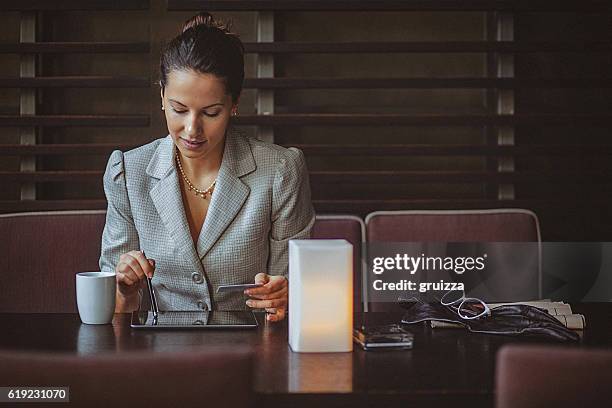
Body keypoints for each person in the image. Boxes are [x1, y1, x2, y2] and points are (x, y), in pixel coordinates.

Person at [99, 12, 315, 322]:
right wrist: (124, 291)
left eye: (211, 113)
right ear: (162, 95)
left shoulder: (280, 171)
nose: (191, 130)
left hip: (252, 355)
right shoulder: (128, 173)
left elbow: (296, 291)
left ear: (234, 104)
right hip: (161, 356)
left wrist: (285, 295)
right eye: (179, 109)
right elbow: (109, 310)